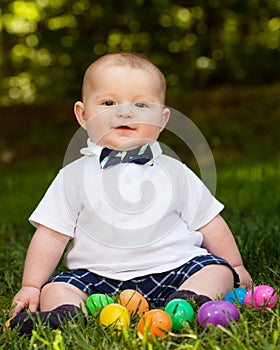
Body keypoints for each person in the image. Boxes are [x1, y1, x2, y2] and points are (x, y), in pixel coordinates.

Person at [10, 52, 252, 335]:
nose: (124, 112)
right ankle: (66, 314)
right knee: (58, 287)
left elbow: (209, 221)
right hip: (96, 276)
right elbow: (51, 235)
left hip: (174, 268)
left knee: (216, 271)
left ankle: (188, 300)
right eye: (109, 103)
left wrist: (235, 265)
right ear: (83, 115)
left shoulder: (176, 171)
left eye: (140, 104)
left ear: (162, 121)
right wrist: (31, 285)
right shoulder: (72, 177)